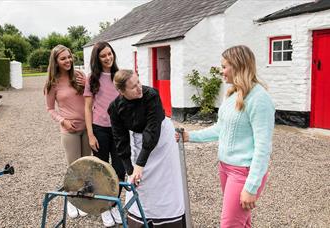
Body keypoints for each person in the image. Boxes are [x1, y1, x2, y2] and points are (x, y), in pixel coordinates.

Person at [177, 45, 275, 227]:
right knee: (242, 223)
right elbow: (220, 129)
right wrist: (190, 136)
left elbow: (263, 148)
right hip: (225, 168)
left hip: (243, 173)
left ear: (237, 66)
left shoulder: (259, 99)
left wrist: (251, 187)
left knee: (229, 224)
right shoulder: (232, 95)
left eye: (224, 66)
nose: (221, 72)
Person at [108, 69, 186, 228]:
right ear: (121, 91)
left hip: (162, 140)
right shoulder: (115, 108)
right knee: (139, 184)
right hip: (139, 142)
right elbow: (120, 140)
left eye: (139, 82)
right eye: (133, 87)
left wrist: (139, 165)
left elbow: (152, 131)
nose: (139, 88)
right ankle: (142, 220)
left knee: (164, 184)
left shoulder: (152, 95)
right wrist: (130, 170)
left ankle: (169, 220)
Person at [44, 44, 91, 219]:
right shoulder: (52, 83)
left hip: (87, 128)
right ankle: (72, 200)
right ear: (56, 61)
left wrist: (88, 84)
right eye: (63, 58)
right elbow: (49, 109)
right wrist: (63, 120)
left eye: (69, 57)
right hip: (69, 131)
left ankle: (84, 200)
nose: (68, 60)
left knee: (85, 166)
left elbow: (91, 96)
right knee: (73, 168)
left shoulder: (80, 76)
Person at [83, 41, 125, 227]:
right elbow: (87, 108)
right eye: (103, 56)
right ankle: (104, 208)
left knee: (119, 169)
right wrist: (91, 135)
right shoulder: (92, 78)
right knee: (100, 170)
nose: (108, 58)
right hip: (99, 129)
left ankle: (113, 203)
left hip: (119, 130)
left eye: (110, 54)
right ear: (97, 59)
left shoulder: (120, 76)